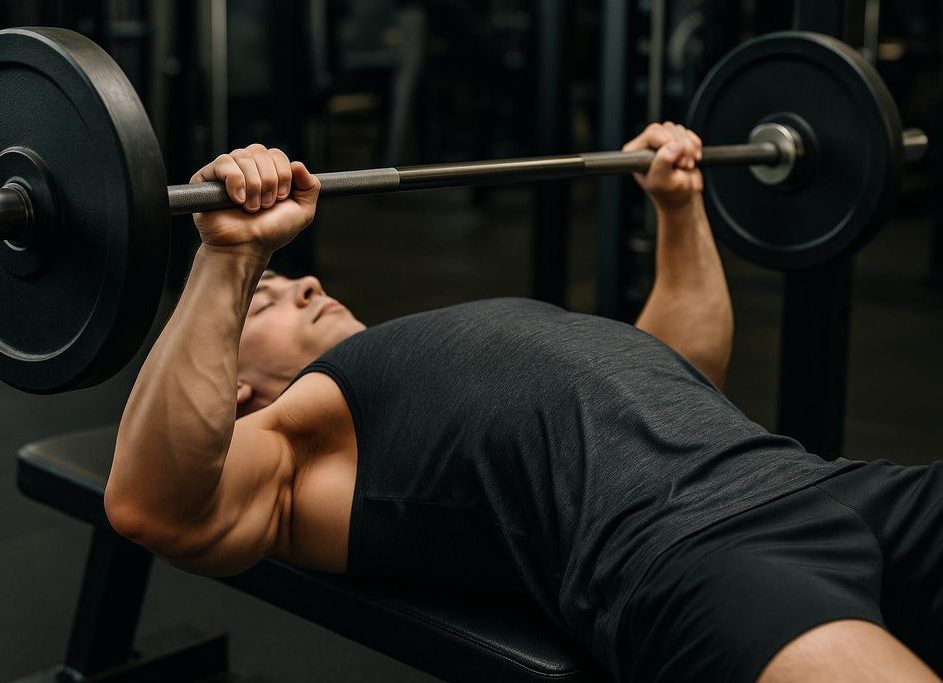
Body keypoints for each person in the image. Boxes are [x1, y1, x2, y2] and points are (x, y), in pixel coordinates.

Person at [104, 123, 943, 683]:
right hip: (691, 555)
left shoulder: (427, 349)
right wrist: (232, 259)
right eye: (270, 301)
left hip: (816, 482)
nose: (309, 282)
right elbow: (155, 506)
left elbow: (680, 363)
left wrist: (679, 207)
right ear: (237, 394)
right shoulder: (298, 438)